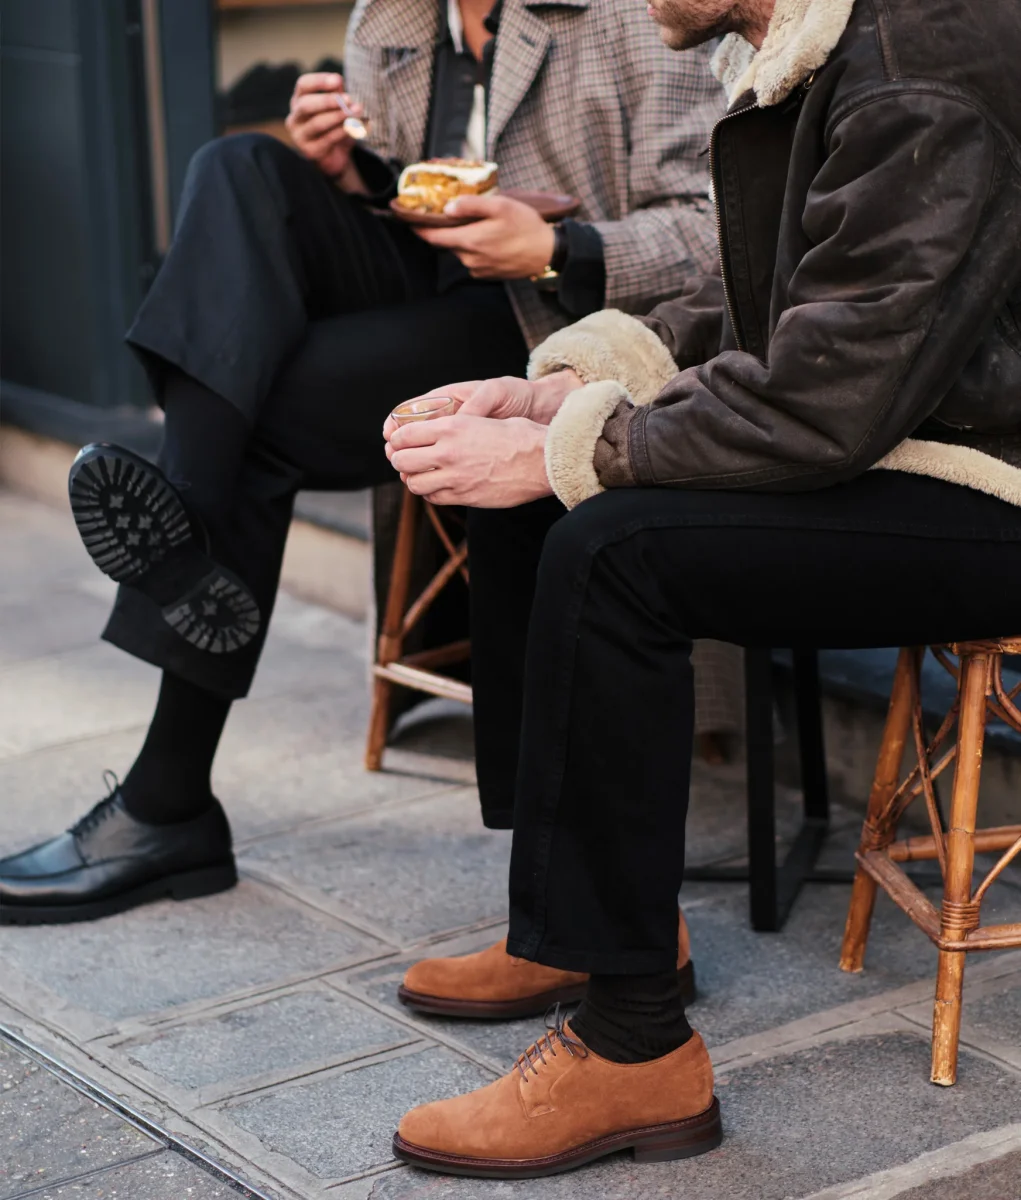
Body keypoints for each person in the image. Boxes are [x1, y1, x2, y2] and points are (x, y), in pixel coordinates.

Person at [382, 0, 1021, 1178]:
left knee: (610, 548)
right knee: (544, 493)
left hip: (992, 481)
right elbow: (785, 317)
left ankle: (634, 1049)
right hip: (907, 431)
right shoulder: (824, 49)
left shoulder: (916, 66)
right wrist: (563, 394)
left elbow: (822, 398)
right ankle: (579, 931)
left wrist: (572, 446)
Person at [0, 0, 727, 924]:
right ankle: (183, 550)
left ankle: (168, 786)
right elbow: (408, 191)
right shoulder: (395, 14)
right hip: (422, 288)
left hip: (551, 321)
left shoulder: (631, 13)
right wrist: (348, 171)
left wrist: (556, 249)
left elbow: (716, 226)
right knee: (236, 163)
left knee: (249, 408)